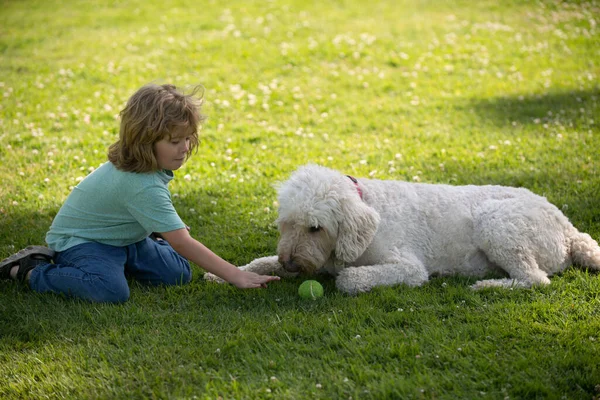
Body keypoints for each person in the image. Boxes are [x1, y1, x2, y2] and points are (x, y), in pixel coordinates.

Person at [0, 83, 279, 303]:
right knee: (109, 290)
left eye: (187, 138)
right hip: (83, 241)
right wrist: (236, 275)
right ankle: (28, 269)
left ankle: (145, 239)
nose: (184, 147)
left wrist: (159, 228)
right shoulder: (139, 183)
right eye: (174, 141)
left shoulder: (147, 169)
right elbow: (182, 242)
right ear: (145, 141)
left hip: (125, 237)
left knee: (177, 274)